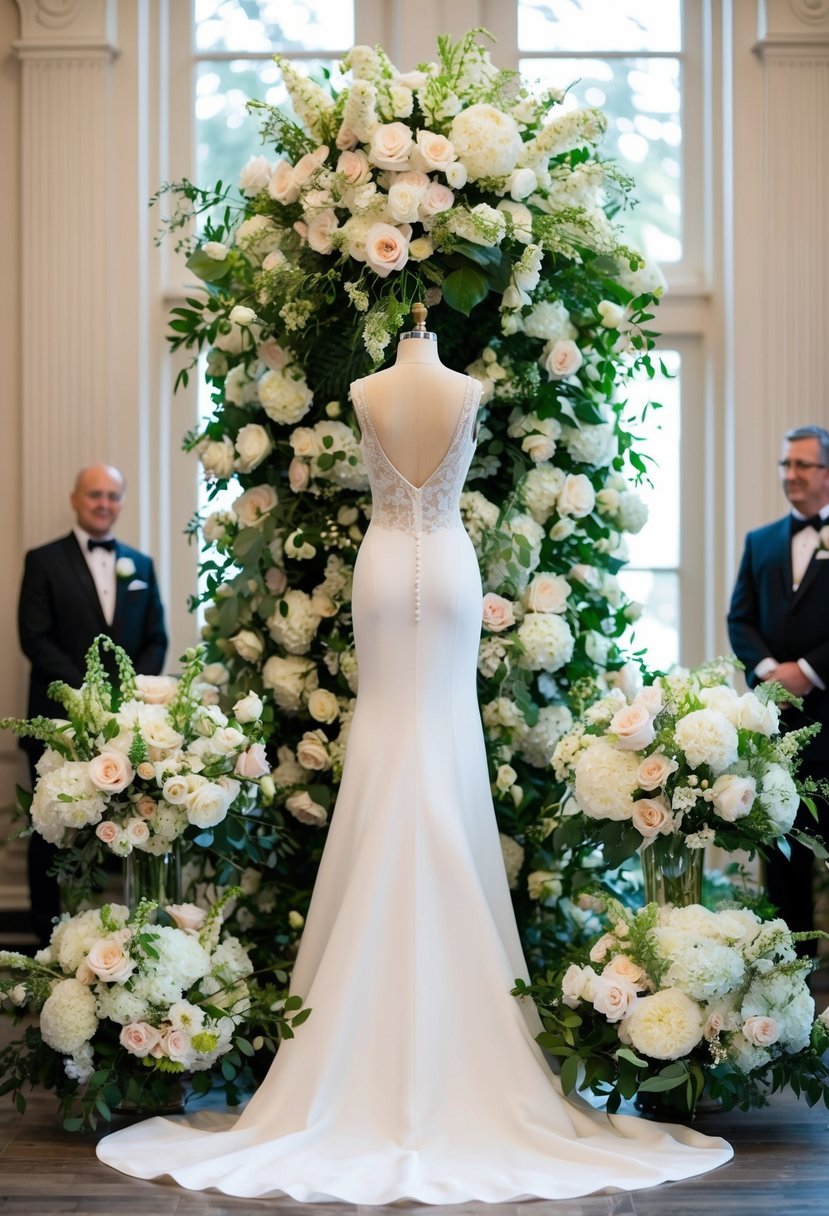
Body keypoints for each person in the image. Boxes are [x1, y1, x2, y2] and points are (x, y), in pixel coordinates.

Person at [96, 310, 731, 1201]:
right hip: (432, 564)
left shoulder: (388, 389)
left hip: (392, 562)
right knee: (406, 739)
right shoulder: (420, 389)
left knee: (427, 740)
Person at [18, 463, 168, 944]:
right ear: (75, 498)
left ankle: (126, 940)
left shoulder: (140, 566)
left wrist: (120, 699)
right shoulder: (42, 560)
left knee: (129, 823)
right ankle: (46, 934)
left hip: (125, 724)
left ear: (121, 502)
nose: (104, 503)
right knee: (49, 826)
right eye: (95, 494)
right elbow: (35, 639)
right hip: (58, 718)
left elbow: (156, 639)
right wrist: (87, 695)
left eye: (113, 495)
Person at [728, 424, 829, 943]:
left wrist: (808, 671)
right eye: (785, 465)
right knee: (784, 869)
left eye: (803, 465)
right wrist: (769, 671)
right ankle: (789, 990)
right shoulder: (761, 541)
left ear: (827, 473)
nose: (791, 475)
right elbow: (739, 618)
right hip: (776, 738)